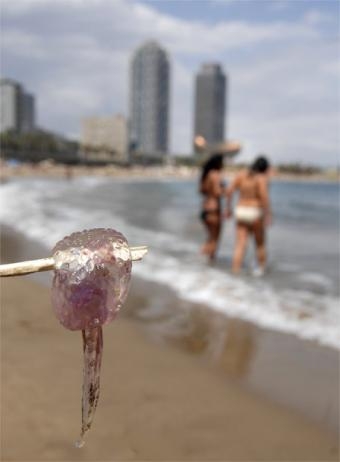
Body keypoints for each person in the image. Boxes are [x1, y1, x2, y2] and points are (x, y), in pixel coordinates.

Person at [225, 156, 272, 274]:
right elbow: (264, 197)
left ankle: (235, 271)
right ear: (264, 168)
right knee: (260, 244)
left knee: (240, 244)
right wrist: (268, 215)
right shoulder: (261, 178)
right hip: (255, 212)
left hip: (240, 211)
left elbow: (229, 191)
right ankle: (260, 270)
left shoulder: (241, 175)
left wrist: (228, 208)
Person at [199, 154, 225, 259]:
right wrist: (226, 190)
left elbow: (201, 191)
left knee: (210, 238)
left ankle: (202, 261)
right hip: (214, 210)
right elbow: (218, 192)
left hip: (205, 209)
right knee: (215, 239)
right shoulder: (215, 174)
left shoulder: (206, 175)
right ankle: (210, 262)